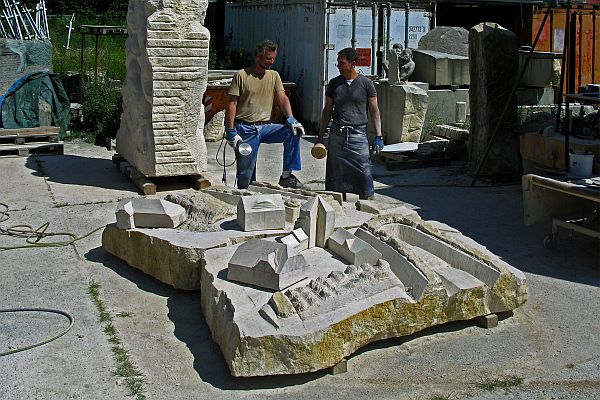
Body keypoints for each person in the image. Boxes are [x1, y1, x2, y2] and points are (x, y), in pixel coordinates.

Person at [224, 40, 305, 189]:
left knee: (293, 132)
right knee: (246, 173)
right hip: (245, 129)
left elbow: (282, 98)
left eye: (274, 58)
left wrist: (291, 119)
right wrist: (230, 131)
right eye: (268, 58)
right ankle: (245, 192)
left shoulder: (273, 75)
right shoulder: (241, 75)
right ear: (258, 57)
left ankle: (287, 176)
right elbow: (231, 104)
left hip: (265, 127)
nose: (271, 62)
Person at [316, 47, 383, 200]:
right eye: (338, 63)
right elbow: (327, 110)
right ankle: (335, 199)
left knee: (363, 168)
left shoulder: (366, 84)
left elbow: (374, 110)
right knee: (335, 170)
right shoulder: (334, 84)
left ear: (353, 64)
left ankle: (366, 198)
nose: (338, 66)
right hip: (337, 133)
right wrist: (320, 135)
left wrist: (379, 135)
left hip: (358, 134)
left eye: (342, 63)